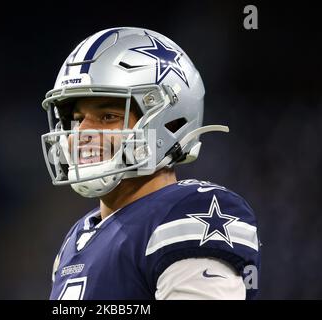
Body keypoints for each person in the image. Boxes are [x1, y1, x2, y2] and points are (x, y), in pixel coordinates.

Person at [40, 27, 260, 300]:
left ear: (168, 121)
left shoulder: (187, 214)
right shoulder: (76, 240)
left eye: (107, 116)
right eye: (75, 119)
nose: (80, 134)